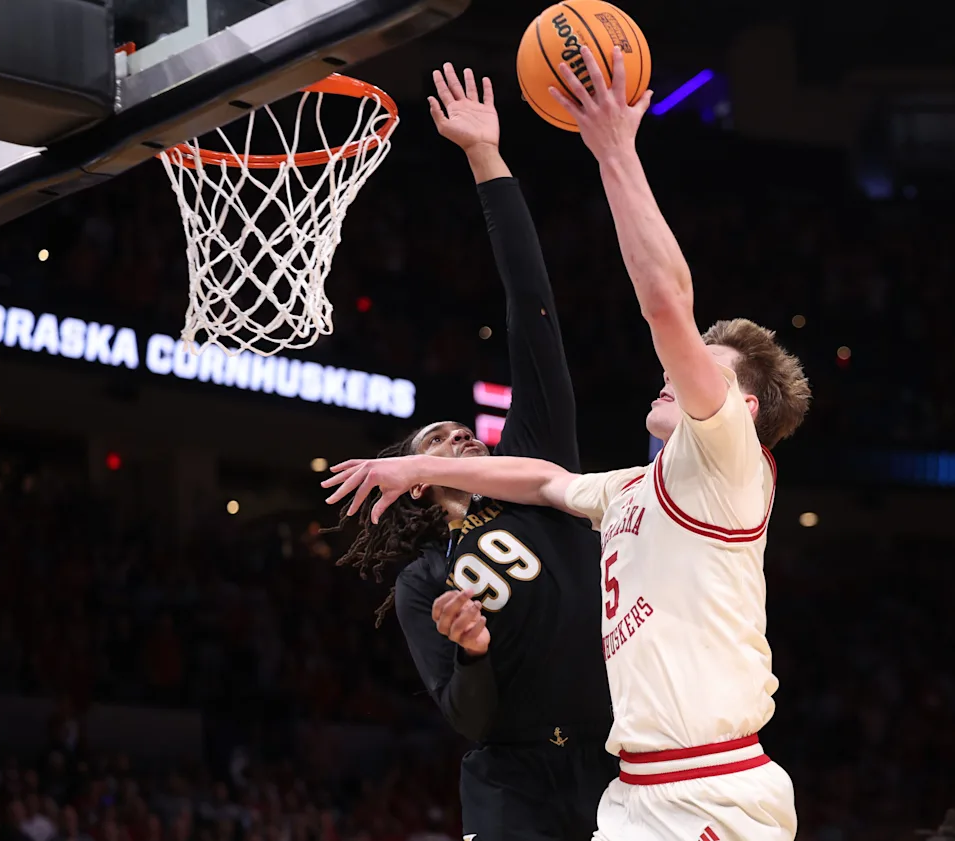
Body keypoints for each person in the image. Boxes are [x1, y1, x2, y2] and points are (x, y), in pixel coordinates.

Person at [323, 47, 811, 841]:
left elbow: (661, 306)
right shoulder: (623, 490)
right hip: (626, 789)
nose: (673, 374)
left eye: (699, 373)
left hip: (708, 787)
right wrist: (418, 462)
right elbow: (548, 481)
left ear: (741, 405)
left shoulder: (726, 456)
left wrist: (614, 149)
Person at [326, 64, 617, 841]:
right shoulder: (425, 581)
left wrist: (486, 158)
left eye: (461, 436)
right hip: (510, 779)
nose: (458, 436)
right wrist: (473, 651)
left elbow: (532, 311)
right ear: (414, 485)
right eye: (434, 443)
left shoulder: (533, 463)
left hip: (613, 762)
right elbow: (466, 716)